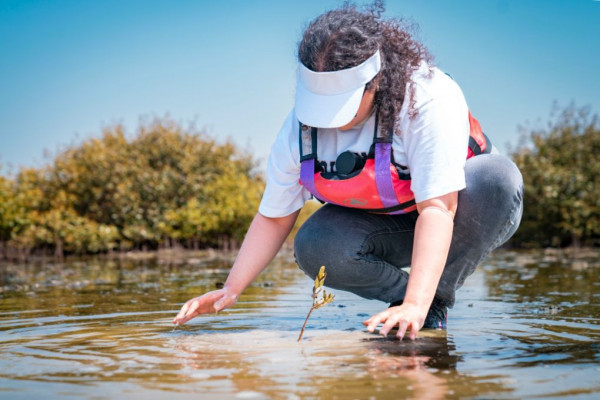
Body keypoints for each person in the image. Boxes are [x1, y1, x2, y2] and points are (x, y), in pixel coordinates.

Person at [173, 2, 523, 340]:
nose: (330, 122)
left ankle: (429, 302)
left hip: (467, 212)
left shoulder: (427, 97)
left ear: (375, 82)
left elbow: (437, 208)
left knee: (496, 179)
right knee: (314, 244)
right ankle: (409, 302)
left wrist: (418, 304)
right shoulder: (296, 129)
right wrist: (229, 290)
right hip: (389, 226)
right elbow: (274, 217)